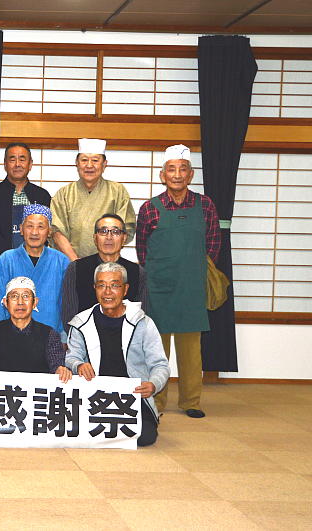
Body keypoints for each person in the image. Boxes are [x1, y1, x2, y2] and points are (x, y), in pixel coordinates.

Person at [136, 144, 220, 419]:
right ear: (162, 175)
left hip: (191, 287)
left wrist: (193, 268)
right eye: (171, 169)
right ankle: (156, 402)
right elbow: (142, 250)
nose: (177, 174)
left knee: (191, 350)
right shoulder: (150, 208)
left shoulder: (205, 205)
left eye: (183, 169)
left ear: (191, 174)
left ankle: (191, 401)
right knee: (156, 349)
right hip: (158, 287)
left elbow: (213, 244)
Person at [59, 262, 169, 447]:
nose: (107, 292)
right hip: (93, 396)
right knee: (69, 430)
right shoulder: (81, 322)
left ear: (125, 289)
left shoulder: (143, 322)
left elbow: (160, 364)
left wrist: (153, 384)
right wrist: (79, 365)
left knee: (145, 437)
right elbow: (71, 357)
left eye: (115, 285)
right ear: (94, 288)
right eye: (101, 285)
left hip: (131, 397)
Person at [0, 204, 70, 338]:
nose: (34, 232)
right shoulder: (7, 259)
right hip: (12, 336)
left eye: (41, 227)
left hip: (51, 336)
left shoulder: (61, 261)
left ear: (49, 231)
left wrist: (63, 337)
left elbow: (66, 304)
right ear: (21, 229)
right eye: (29, 226)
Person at [50, 138, 136, 261]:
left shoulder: (117, 191)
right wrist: (76, 262)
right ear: (77, 163)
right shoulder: (64, 194)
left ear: (104, 164)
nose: (89, 165)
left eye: (95, 160)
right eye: (84, 160)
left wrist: (106, 259)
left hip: (108, 262)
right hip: (70, 261)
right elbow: (56, 231)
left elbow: (124, 229)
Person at [0, 277, 65, 375]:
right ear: (5, 303)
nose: (20, 302)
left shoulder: (49, 334)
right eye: (14, 296)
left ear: (35, 302)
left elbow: (57, 363)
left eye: (26, 296)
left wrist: (60, 369)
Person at [61, 213, 147, 329]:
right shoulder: (76, 268)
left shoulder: (137, 272)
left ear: (124, 238)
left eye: (115, 232)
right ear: (95, 238)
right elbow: (68, 314)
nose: (109, 237)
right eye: (103, 231)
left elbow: (141, 316)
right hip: (83, 336)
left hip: (125, 337)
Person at [0, 142, 51, 262]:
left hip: (35, 260)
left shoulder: (42, 195)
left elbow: (46, 231)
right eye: (12, 160)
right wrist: (11, 257)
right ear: (5, 164)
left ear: (30, 164)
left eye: (22, 159)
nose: (17, 164)